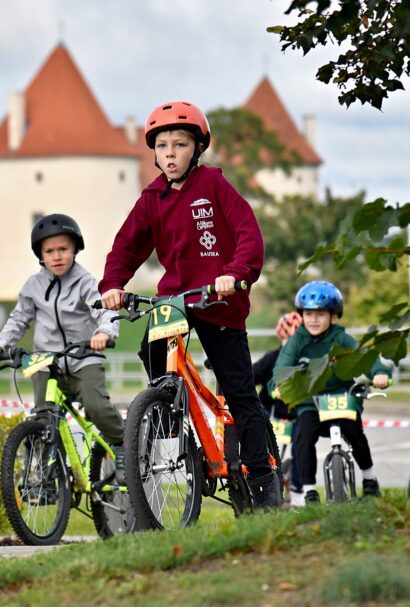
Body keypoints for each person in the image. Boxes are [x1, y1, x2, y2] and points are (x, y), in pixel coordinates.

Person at [98, 101, 280, 508]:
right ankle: (170, 424)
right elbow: (127, 246)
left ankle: (263, 477)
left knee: (239, 391)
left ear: (196, 149)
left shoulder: (214, 185)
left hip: (218, 300)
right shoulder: (152, 198)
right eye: (162, 146)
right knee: (150, 348)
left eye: (179, 145)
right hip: (176, 301)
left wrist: (236, 272)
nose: (170, 153)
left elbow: (249, 235)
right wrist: (112, 283)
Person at [0, 214, 125, 479]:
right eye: (49, 251)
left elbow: (103, 311)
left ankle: (121, 445)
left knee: (96, 406)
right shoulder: (33, 286)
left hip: (84, 357)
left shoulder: (85, 282)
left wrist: (104, 332)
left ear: (75, 249)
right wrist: (0, 344)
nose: (57, 256)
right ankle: (46, 476)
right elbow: (19, 318)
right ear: (41, 255)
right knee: (43, 418)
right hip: (45, 362)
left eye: (63, 249)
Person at [271, 281, 391, 505]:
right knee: (303, 439)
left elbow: (366, 357)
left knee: (355, 432)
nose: (314, 319)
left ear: (333, 316)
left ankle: (369, 478)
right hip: (310, 401)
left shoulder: (341, 338)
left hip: (341, 398)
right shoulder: (297, 340)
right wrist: (278, 386)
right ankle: (308, 490)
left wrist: (380, 373)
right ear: (301, 315)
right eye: (308, 314)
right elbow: (281, 368)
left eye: (321, 314)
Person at [253, 312, 303, 503]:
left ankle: (297, 486)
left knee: (302, 447)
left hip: (297, 414)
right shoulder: (272, 358)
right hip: (270, 413)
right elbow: (252, 375)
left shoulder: (306, 362)